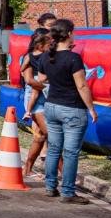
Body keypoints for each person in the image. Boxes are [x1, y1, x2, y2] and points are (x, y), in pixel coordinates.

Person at [37, 19, 97, 204]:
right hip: (72, 108)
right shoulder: (73, 58)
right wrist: (92, 109)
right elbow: (82, 85)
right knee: (70, 152)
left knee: (54, 148)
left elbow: (42, 78)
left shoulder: (46, 56)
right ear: (69, 33)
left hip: (52, 106)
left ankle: (50, 186)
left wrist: (57, 81)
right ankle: (68, 191)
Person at [21, 28, 53, 177]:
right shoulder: (29, 57)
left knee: (40, 136)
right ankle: (65, 177)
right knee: (51, 135)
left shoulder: (48, 56)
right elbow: (29, 80)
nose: (51, 44)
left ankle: (27, 168)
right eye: (48, 42)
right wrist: (44, 85)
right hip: (37, 94)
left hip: (46, 94)